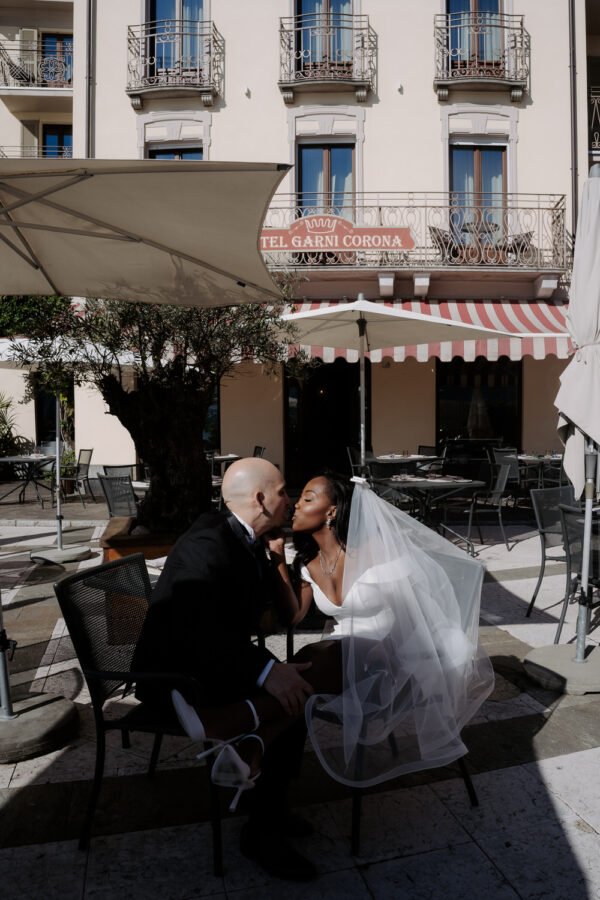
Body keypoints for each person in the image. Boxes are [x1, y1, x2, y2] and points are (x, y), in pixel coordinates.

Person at [133, 457, 318, 882]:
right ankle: (262, 833)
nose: (289, 499)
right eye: (283, 491)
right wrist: (266, 672)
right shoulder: (208, 543)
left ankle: (266, 798)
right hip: (178, 676)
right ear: (260, 499)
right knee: (289, 701)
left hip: (212, 657)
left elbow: (268, 617)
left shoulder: (241, 536)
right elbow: (195, 632)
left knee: (297, 687)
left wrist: (274, 561)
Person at [287, 471, 495, 789]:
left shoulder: (374, 553)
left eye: (307, 497)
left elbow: (419, 614)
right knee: (296, 682)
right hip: (344, 661)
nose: (295, 504)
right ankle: (268, 760)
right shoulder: (306, 563)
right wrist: (276, 559)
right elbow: (294, 616)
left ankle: (254, 743)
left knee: (301, 668)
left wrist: (388, 650)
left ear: (331, 511)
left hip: (394, 657)